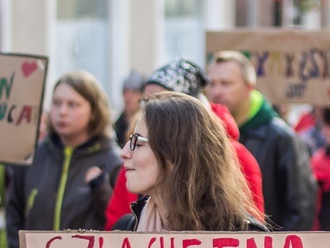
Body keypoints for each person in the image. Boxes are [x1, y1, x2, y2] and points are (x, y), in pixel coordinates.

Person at [13, 92, 268, 248]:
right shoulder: (126, 232)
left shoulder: (246, 240)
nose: (124, 152)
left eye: (137, 142)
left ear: (175, 154)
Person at [104, 57, 264, 228]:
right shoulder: (127, 228)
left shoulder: (242, 234)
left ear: (178, 148)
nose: (124, 153)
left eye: (139, 143)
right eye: (145, 101)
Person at [7, 70, 122, 248]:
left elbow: (121, 228)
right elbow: (14, 218)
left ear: (94, 111)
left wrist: (101, 190)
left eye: (73, 105)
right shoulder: (32, 156)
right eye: (57, 103)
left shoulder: (114, 162)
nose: (62, 112)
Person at [206, 50, 317, 230]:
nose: (217, 92)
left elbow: (301, 208)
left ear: (249, 87)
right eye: (212, 84)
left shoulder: (282, 137)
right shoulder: (203, 135)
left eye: (226, 84)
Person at [113, 70, 145, 147]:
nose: (128, 97)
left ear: (142, 95)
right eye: (125, 91)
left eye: (134, 92)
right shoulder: (115, 127)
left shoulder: (145, 125)